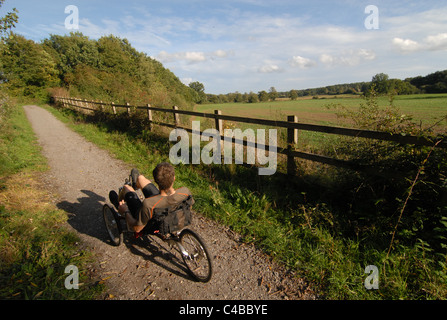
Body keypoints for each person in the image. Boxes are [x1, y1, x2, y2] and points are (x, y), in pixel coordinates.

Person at [109, 162, 194, 233]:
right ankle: (136, 184)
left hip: (152, 225)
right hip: (166, 206)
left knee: (127, 188)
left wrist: (125, 211)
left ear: (156, 181)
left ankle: (119, 204)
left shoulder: (149, 204)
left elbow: (137, 229)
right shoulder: (185, 191)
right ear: (174, 178)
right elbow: (189, 206)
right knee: (140, 178)